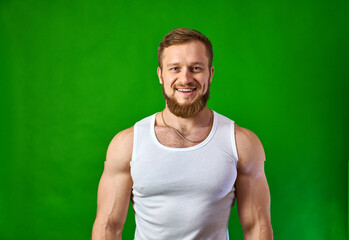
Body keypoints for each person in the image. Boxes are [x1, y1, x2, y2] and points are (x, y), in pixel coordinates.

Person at [92, 28, 273, 240]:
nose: (185, 79)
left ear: (210, 73)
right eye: (175, 68)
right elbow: (108, 226)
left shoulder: (241, 142)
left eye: (196, 68)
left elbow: (256, 226)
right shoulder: (127, 143)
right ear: (161, 75)